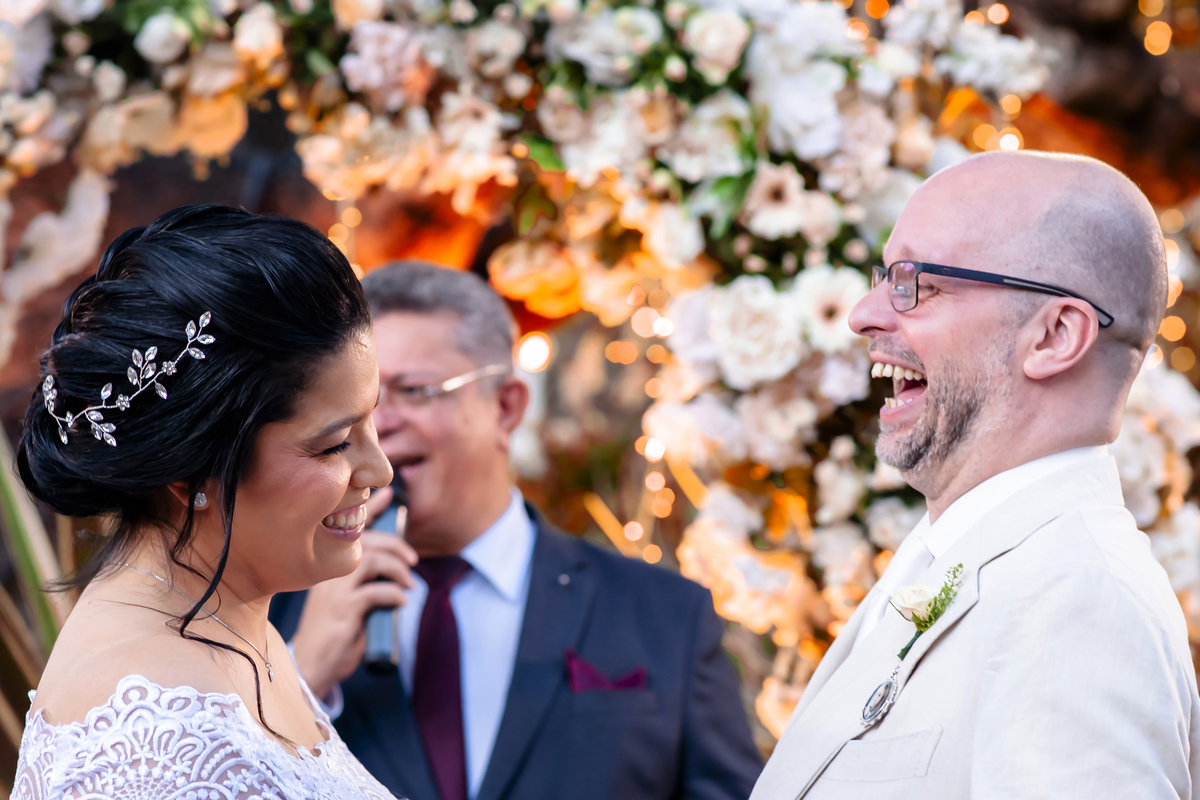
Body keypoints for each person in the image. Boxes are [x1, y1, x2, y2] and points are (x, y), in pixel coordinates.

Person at [750, 150, 1200, 799]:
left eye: (916, 283)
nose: (863, 315)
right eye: (884, 276)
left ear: (1054, 336)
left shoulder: (1080, 604)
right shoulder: (962, 552)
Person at [270, 261, 764, 800]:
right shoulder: (272, 615)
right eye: (359, 403)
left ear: (506, 407)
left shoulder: (666, 616)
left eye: (413, 390)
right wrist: (303, 676)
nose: (379, 425)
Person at [13, 205, 402, 800]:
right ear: (193, 469)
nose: (379, 469)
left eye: (370, 422)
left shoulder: (232, 625)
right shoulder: (159, 745)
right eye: (334, 445)